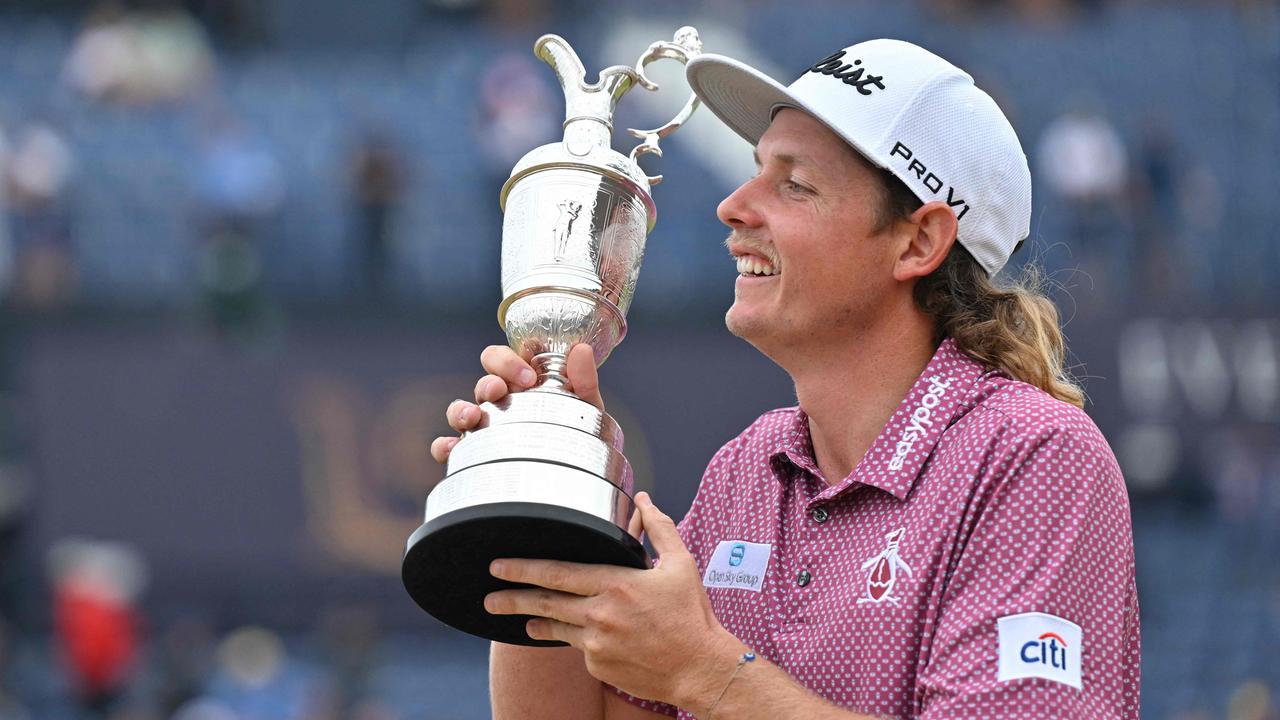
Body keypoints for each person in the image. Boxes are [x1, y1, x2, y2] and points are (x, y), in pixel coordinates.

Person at [431, 39, 1139, 719]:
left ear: (919, 241)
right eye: (756, 169)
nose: (733, 206)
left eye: (793, 184)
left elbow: (699, 674)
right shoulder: (747, 467)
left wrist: (707, 673)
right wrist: (548, 504)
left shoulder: (1035, 457)